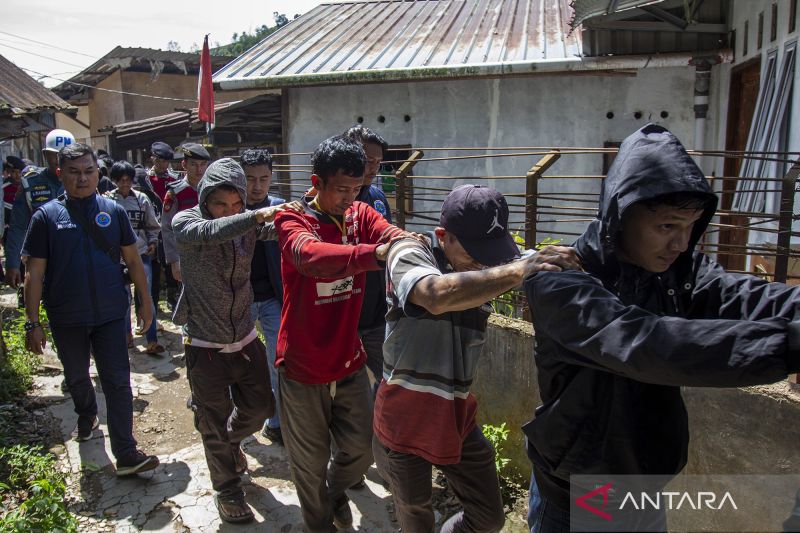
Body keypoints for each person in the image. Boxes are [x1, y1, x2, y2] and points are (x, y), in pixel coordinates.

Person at [522, 124, 800, 532]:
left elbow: (748, 297)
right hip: (580, 494)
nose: (682, 244)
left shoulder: (680, 273)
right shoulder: (561, 282)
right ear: (621, 215)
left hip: (646, 486)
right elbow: (646, 344)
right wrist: (787, 344)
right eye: (667, 226)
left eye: (691, 226)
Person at [371, 184, 579, 533]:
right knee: (416, 517)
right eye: (474, 252)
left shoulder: (489, 261)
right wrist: (519, 270)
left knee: (489, 518)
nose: (484, 262)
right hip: (404, 416)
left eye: (491, 251)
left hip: (456, 413)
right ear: (443, 236)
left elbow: (534, 260)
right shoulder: (408, 251)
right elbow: (434, 296)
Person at [274, 135, 409, 532]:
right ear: (317, 182)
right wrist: (372, 255)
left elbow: (385, 231)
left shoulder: (359, 214)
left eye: (356, 188)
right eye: (341, 189)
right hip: (302, 365)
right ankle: (318, 523)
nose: (350, 198)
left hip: (349, 359)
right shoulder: (292, 219)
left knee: (360, 448)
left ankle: (334, 492)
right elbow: (309, 256)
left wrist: (402, 242)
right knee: (309, 463)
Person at [172, 158, 301, 524]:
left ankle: (228, 443)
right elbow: (212, 231)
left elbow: (280, 230)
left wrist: (310, 208)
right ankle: (227, 489)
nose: (229, 211)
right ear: (204, 200)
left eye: (236, 204)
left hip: (245, 339)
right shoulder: (187, 222)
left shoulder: (248, 226)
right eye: (220, 204)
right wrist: (255, 216)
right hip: (204, 347)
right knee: (213, 422)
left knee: (261, 408)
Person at [22, 143, 159, 476]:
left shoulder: (113, 212)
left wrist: (145, 302)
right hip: (66, 317)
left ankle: (126, 453)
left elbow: (133, 260)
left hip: (111, 313)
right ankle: (86, 415)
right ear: (60, 174)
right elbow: (34, 273)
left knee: (118, 381)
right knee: (77, 376)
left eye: (88, 171)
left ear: (98, 173)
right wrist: (32, 322)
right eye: (74, 172)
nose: (82, 179)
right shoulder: (46, 217)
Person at [341, 125, 393, 395]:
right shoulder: (328, 200)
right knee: (345, 384)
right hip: (342, 313)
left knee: (386, 380)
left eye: (378, 162)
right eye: (368, 160)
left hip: (375, 311)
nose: (373, 168)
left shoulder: (378, 198)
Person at [239, 148, 285, 445]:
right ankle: (238, 422)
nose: (257, 186)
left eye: (263, 179)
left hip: (273, 298)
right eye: (250, 179)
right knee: (237, 362)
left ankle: (276, 422)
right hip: (239, 299)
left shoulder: (280, 208)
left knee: (278, 361)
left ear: (271, 178)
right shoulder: (229, 209)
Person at [6, 130, 75, 304]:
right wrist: (12, 263)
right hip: (41, 259)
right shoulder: (31, 183)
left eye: (66, 155)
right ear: (45, 155)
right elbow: (18, 226)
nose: (59, 160)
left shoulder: (86, 180)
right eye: (55, 155)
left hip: (76, 256)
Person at [105, 161, 163, 354]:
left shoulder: (141, 199)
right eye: (121, 180)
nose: (125, 183)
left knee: (146, 294)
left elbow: (152, 224)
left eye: (128, 179)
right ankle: (126, 335)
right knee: (123, 298)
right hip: (116, 257)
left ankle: (152, 339)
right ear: (115, 180)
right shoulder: (107, 201)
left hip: (141, 253)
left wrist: (153, 241)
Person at [161, 142, 210, 285]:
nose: (199, 169)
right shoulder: (175, 193)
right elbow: (167, 227)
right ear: (184, 165)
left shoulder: (213, 190)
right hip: (186, 255)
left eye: (203, 164)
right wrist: (174, 260)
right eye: (194, 164)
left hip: (211, 253)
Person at [146, 141, 179, 311]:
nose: (162, 164)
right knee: (153, 263)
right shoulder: (145, 179)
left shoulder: (173, 180)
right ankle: (152, 299)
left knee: (170, 260)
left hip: (168, 225)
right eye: (159, 160)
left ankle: (172, 297)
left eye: (165, 161)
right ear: (152, 159)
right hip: (150, 226)